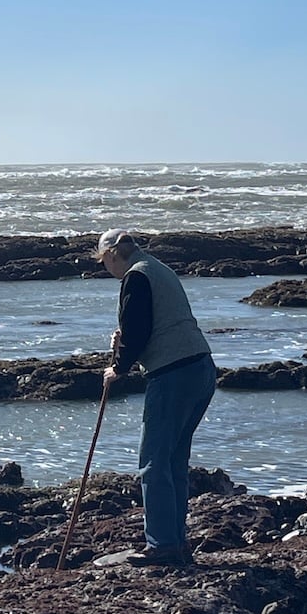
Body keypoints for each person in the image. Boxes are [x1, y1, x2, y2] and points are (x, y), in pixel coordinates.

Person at [97, 229, 216, 567]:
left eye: (104, 261)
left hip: (173, 374)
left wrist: (118, 368)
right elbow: (156, 321)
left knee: (153, 462)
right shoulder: (158, 268)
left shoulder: (135, 277)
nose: (106, 268)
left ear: (113, 254)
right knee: (174, 460)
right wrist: (127, 340)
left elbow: (138, 331)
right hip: (201, 368)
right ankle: (175, 542)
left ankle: (162, 545)